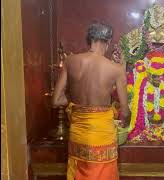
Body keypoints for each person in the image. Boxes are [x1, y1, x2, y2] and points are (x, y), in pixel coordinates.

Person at [52, 22, 129, 180]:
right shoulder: (116, 69)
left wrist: (75, 98)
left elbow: (56, 101)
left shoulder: (70, 61)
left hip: (78, 135)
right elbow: (125, 111)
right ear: (107, 43)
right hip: (102, 137)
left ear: (89, 40)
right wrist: (124, 122)